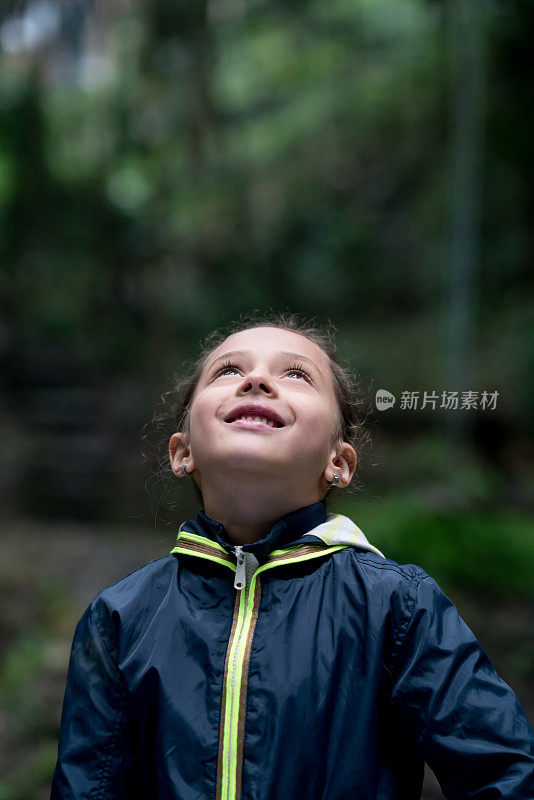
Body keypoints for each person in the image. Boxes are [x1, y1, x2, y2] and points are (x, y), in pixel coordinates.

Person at [50, 312, 534, 800]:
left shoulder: (398, 606)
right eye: (228, 372)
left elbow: (507, 776)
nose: (257, 380)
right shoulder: (120, 617)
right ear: (182, 452)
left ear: (338, 462)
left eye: (296, 375)